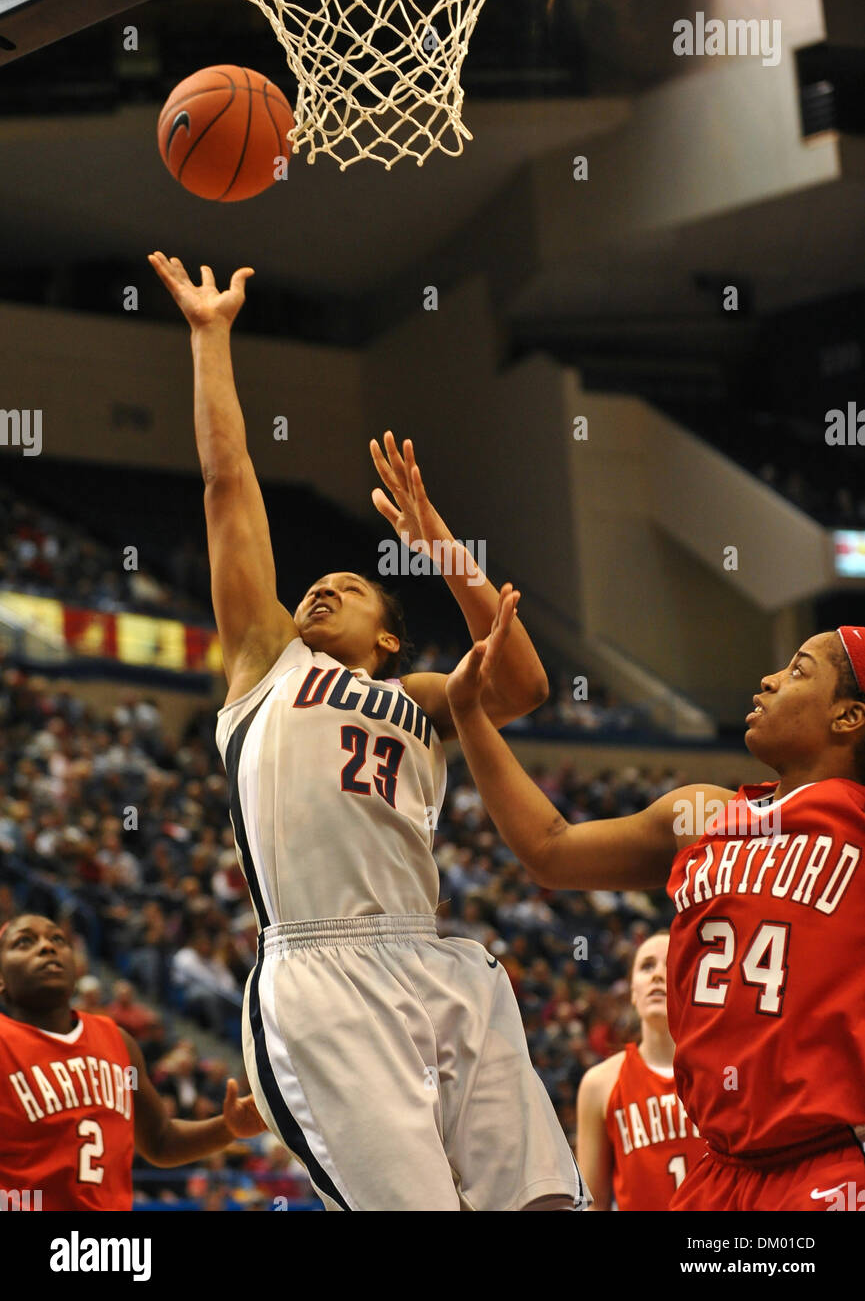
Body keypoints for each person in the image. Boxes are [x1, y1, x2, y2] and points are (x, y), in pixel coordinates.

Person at [146, 251, 587, 1213]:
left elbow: (521, 681)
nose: (319, 588)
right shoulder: (268, 663)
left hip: (434, 957)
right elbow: (227, 484)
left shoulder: (429, 698)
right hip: (319, 971)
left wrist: (439, 548)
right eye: (315, 585)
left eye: (346, 589)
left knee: (546, 1203)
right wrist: (211, 338)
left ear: (387, 636)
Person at [445, 593, 865, 1212]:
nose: (769, 680)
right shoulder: (700, 815)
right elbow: (550, 850)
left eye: (799, 670)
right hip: (716, 1171)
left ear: (848, 718)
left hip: (827, 1162)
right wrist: (469, 715)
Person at [0, 913, 265, 1210]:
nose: (47, 947)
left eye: (57, 939)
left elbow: (160, 1140)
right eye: (25, 941)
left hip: (111, 1253)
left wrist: (228, 1127)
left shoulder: (119, 1044)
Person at [576, 931, 703, 1210]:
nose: (658, 975)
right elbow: (592, 1205)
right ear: (633, 992)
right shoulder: (599, 1084)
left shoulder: (722, 1073)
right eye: (647, 966)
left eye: (670, 965)